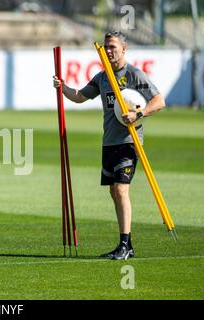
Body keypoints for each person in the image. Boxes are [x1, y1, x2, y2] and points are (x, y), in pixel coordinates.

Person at [53, 31, 165, 260]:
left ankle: (124, 244)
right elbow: (80, 96)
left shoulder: (133, 75)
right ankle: (126, 245)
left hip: (129, 141)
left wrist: (139, 113)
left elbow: (159, 101)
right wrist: (62, 86)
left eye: (113, 47)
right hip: (109, 142)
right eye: (106, 47)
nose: (109, 51)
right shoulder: (102, 77)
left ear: (124, 49)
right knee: (114, 191)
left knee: (122, 189)